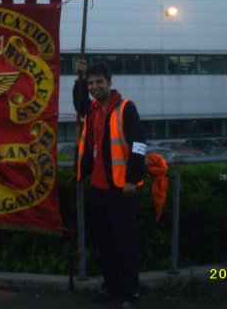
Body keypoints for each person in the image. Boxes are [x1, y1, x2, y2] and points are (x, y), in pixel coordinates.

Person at [73, 59, 146, 309]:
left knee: (124, 242)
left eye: (99, 82)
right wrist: (79, 78)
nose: (94, 87)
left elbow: (139, 145)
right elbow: (79, 103)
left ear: (109, 83)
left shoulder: (126, 108)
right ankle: (111, 286)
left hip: (120, 187)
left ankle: (130, 292)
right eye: (91, 83)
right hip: (98, 187)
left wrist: (132, 179)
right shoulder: (92, 109)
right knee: (104, 241)